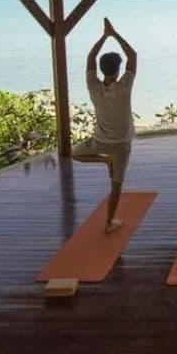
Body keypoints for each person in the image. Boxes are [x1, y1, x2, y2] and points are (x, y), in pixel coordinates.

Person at [72, 17, 137, 234]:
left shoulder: (94, 87)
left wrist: (103, 36)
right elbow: (133, 56)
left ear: (101, 70)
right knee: (116, 185)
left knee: (75, 153)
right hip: (120, 146)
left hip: (98, 143)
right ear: (118, 71)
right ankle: (109, 222)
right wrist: (114, 33)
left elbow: (90, 57)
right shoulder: (124, 87)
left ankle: (103, 159)